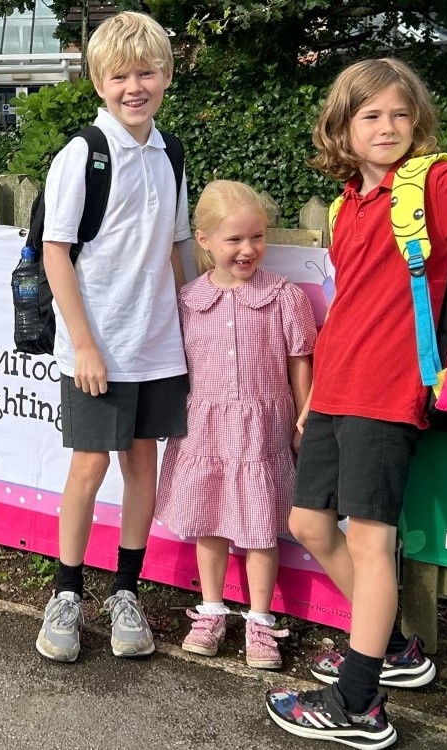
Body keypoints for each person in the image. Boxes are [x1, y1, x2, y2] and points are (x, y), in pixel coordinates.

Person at [266, 57, 447, 749]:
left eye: (399, 113)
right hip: (337, 390)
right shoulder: (345, 204)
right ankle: (390, 651)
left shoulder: (435, 183)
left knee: (371, 543)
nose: (386, 126)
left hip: (389, 396)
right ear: (343, 127)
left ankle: (359, 704)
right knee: (308, 523)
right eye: (370, 115)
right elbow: (352, 304)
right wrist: (314, 398)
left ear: (416, 121)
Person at [34, 10, 191, 662]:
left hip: (157, 345)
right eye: (120, 75)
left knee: (140, 465)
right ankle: (67, 593)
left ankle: (125, 591)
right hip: (97, 346)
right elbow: (54, 252)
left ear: (166, 76)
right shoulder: (84, 154)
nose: (135, 86)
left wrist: (191, 331)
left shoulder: (171, 153)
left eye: (146, 72)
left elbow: (179, 248)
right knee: (91, 465)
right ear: (100, 82)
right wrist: (85, 344)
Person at [154, 180, 315, 669]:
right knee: (210, 519)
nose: (248, 250)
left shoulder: (284, 297)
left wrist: (305, 415)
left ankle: (261, 620)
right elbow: (175, 365)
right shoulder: (188, 301)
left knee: (262, 525)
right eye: (234, 240)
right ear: (203, 240)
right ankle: (211, 610)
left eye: (257, 238)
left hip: (264, 430)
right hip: (204, 428)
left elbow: (299, 361)